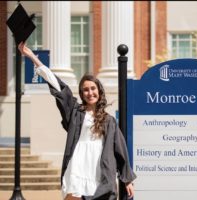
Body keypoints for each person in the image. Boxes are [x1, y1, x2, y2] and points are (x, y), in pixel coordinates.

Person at [18, 42, 136, 200]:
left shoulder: (109, 121)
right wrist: (32, 56)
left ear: (99, 92)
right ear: (81, 93)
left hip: (100, 168)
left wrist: (127, 180)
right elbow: (57, 85)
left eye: (93, 88)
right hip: (77, 165)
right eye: (85, 90)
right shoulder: (75, 112)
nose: (90, 92)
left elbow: (120, 150)